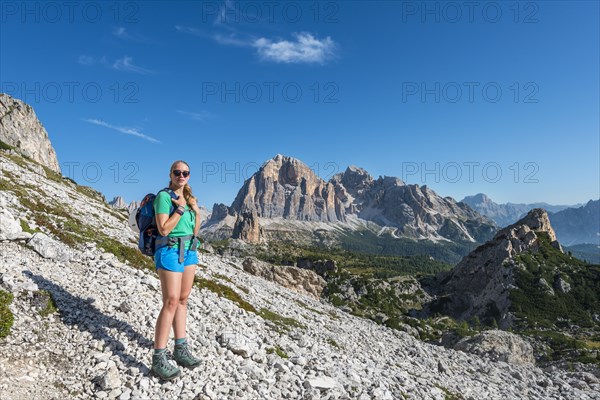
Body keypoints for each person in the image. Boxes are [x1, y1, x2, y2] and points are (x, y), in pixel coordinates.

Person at [151, 160, 202, 380]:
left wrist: (196, 211)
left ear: (189, 176)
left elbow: (195, 230)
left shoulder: (190, 199)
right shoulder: (164, 197)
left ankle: (181, 349)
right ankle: (158, 357)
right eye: (177, 172)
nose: (181, 175)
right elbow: (163, 228)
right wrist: (180, 208)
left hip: (190, 250)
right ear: (170, 174)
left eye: (185, 173)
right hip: (170, 250)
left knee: (183, 299)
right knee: (171, 301)